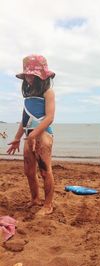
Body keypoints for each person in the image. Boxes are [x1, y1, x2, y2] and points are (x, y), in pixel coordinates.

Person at [7, 55, 56, 216]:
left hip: (43, 135)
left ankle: (48, 204)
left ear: (41, 75)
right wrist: (16, 138)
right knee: (29, 171)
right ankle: (35, 199)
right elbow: (25, 119)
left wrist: (35, 134)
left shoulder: (48, 92)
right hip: (30, 135)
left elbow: (49, 117)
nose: (28, 77)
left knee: (44, 170)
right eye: (26, 74)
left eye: (32, 74)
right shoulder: (28, 97)